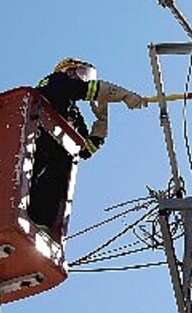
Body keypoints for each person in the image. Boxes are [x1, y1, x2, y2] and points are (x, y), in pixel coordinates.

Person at [28, 57, 145, 231]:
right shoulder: (54, 81)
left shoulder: (72, 111)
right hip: (36, 144)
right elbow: (81, 89)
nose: (85, 79)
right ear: (68, 71)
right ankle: (29, 213)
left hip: (53, 157)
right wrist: (124, 95)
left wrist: (102, 121)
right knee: (37, 174)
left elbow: (85, 150)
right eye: (82, 73)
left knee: (56, 178)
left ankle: (40, 221)